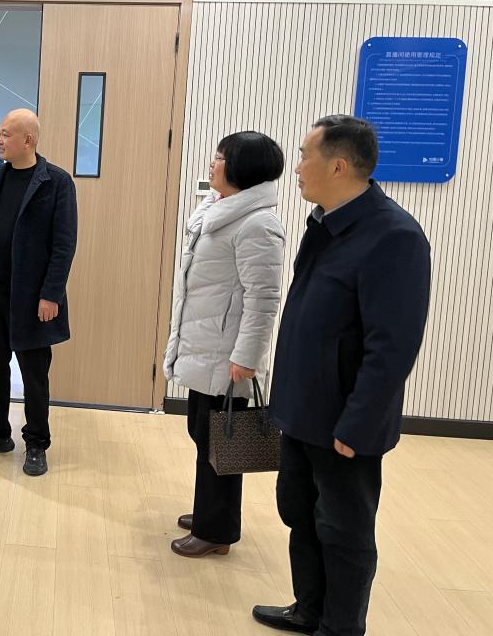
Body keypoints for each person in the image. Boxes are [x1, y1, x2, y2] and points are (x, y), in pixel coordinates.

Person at [252, 115, 431, 636]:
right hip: (302, 409)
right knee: (300, 513)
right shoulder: (325, 224)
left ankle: (341, 627)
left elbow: (391, 348)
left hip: (344, 422)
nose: (297, 167)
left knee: (344, 529)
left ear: (338, 165)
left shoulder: (394, 236)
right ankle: (309, 609)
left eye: (304, 155)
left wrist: (358, 423)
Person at [164, 132, 285, 558]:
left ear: (241, 168)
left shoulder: (258, 224)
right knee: (204, 434)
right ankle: (208, 512)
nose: (212, 164)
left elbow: (263, 299)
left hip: (229, 356)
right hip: (208, 347)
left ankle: (216, 531)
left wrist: (246, 358)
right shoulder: (221, 210)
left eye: (219, 158)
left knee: (222, 442)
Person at [0, 108, 78, 477]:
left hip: (32, 300)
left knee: (34, 378)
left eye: (5, 134)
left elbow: (64, 245)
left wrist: (51, 295)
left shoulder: (56, 182)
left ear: (28, 139)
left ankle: (37, 442)